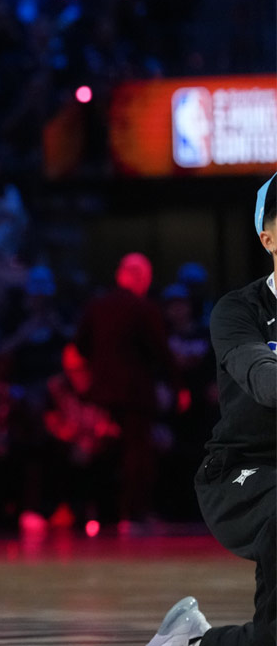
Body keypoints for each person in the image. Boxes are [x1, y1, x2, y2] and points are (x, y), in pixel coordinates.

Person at [148, 173, 277, 646]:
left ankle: (191, 642)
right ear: (268, 237)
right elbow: (266, 382)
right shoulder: (238, 311)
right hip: (239, 473)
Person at [74, 252, 175, 526]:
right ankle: (133, 513)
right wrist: (177, 385)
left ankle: (96, 512)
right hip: (135, 393)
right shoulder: (143, 308)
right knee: (137, 454)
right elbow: (162, 352)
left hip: (101, 393)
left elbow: (80, 345)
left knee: (101, 453)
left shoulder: (97, 306)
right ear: (142, 278)